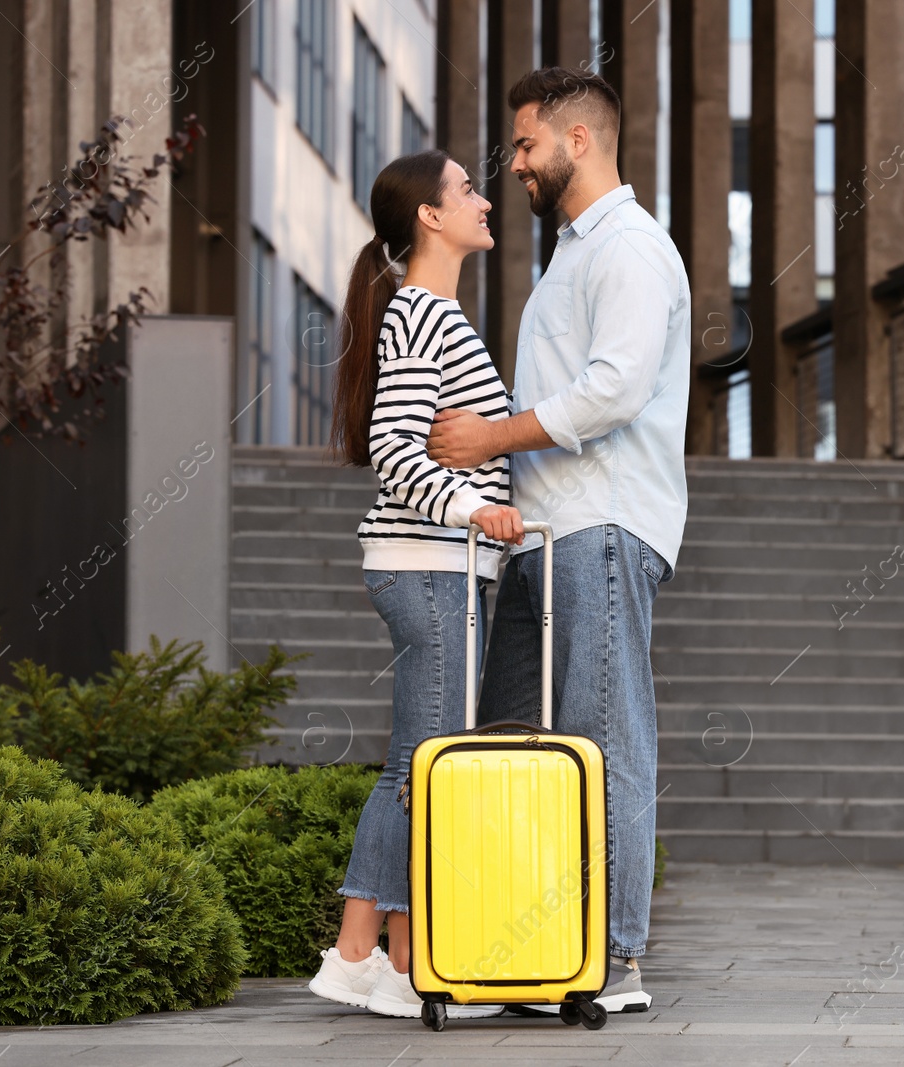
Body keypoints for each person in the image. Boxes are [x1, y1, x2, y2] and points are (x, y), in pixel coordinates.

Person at [426, 67, 691, 1015]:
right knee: (511, 740)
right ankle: (527, 944)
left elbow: (615, 390)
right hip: (543, 533)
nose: (518, 167)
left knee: (604, 735)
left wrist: (490, 435)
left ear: (579, 141)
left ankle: (610, 960)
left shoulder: (628, 248)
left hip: (603, 523)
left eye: (529, 146)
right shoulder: (573, 255)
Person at [308, 149, 525, 1019]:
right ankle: (358, 953)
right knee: (420, 768)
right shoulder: (422, 317)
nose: (482, 199)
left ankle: (403, 958)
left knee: (423, 765)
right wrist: (477, 510)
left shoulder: (427, 313)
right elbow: (397, 449)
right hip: (429, 565)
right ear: (430, 218)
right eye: (467, 188)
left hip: (444, 572)